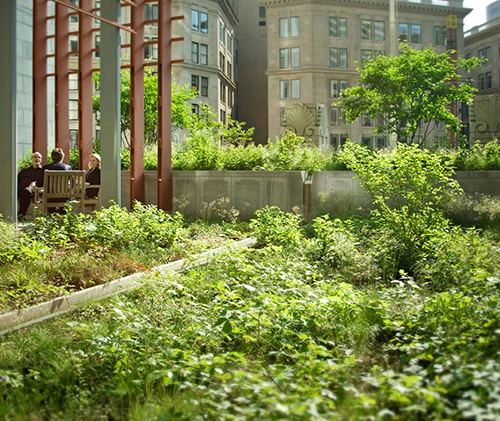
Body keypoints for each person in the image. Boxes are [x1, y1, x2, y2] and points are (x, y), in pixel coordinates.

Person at [17, 151, 45, 220]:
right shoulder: (25, 171)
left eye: (39, 157)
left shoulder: (42, 171)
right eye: (35, 157)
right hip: (20, 188)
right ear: (31, 159)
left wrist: (34, 183)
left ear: (41, 160)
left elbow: (42, 182)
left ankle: (21, 215)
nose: (37, 159)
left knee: (26, 191)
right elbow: (16, 180)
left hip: (33, 190)